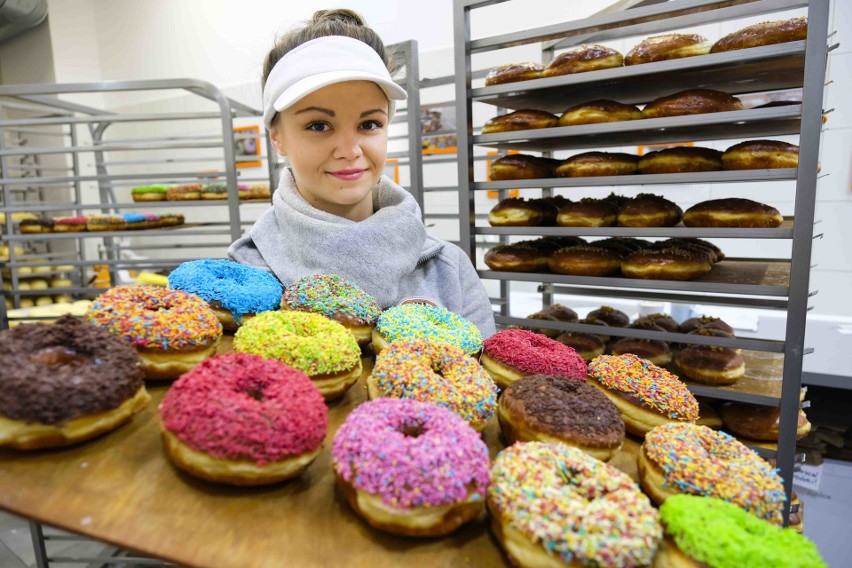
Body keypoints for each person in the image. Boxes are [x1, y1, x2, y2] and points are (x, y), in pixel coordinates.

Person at [228, 9, 496, 337]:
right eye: (318, 125)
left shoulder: (447, 269)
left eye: (369, 124)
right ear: (277, 137)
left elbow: (485, 384)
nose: (350, 150)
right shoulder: (247, 274)